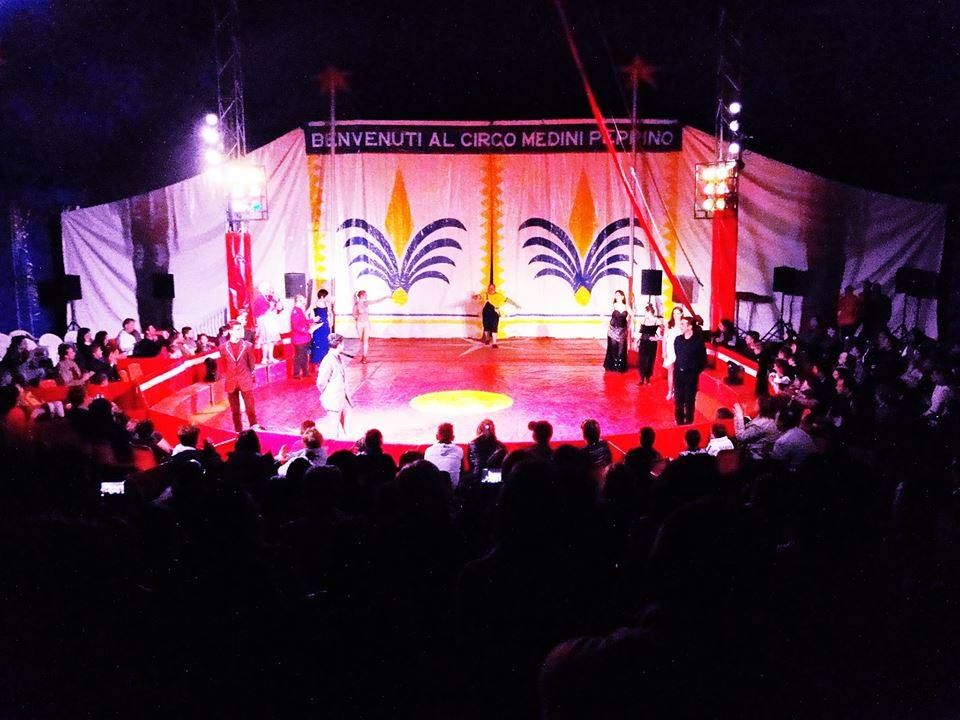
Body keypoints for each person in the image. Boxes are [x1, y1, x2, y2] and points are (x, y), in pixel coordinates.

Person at [219, 320, 259, 432]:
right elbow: (223, 365)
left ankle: (254, 427)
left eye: (241, 329)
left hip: (245, 379)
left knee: (250, 408)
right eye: (237, 329)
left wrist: (249, 376)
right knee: (235, 411)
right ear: (230, 331)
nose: (240, 331)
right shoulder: (223, 347)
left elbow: (251, 364)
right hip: (231, 381)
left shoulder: (248, 346)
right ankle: (238, 431)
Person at [315, 333, 352, 438]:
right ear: (338, 344)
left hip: (342, 397)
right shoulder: (328, 360)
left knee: (345, 423)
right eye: (342, 344)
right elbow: (321, 382)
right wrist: (328, 392)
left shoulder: (338, 357)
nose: (343, 346)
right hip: (333, 398)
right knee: (334, 429)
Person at [673, 316, 706, 425]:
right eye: (681, 324)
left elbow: (703, 360)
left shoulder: (698, 342)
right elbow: (678, 355)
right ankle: (679, 422)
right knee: (678, 400)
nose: (680, 326)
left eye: (683, 324)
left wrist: (694, 371)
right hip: (678, 374)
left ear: (690, 327)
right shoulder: (678, 340)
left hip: (691, 375)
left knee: (689, 400)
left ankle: (689, 422)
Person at [473, 283, 519, 347]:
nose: (491, 289)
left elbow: (508, 300)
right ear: (488, 288)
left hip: (494, 312)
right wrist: (475, 297)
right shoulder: (484, 294)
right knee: (486, 326)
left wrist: (515, 305)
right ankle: (487, 339)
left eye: (492, 288)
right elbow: (478, 296)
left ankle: (494, 343)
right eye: (489, 288)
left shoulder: (499, 295)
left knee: (494, 327)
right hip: (486, 312)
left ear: (494, 288)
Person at [352, 290, 389, 363]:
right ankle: (363, 355)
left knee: (365, 340)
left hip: (366, 323)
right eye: (365, 295)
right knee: (362, 340)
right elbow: (354, 314)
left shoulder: (366, 302)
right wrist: (357, 317)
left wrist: (385, 297)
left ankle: (364, 357)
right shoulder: (356, 304)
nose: (366, 296)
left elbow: (376, 301)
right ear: (361, 296)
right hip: (359, 324)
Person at [424, 422, 464, 487]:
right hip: (452, 488)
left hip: (431, 487)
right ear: (453, 437)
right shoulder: (459, 450)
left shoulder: (428, 450)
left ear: (436, 437)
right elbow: (461, 470)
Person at [603, 291, 631, 372]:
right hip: (613, 329)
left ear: (622, 296)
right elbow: (603, 314)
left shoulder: (626, 306)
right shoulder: (613, 305)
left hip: (623, 330)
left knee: (621, 349)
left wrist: (629, 324)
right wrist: (607, 323)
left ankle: (620, 366)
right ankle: (613, 365)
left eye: (618, 295)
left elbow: (632, 315)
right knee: (613, 347)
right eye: (616, 295)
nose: (617, 297)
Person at [255, 286, 283, 365]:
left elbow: (280, 308)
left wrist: (278, 301)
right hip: (263, 322)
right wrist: (272, 305)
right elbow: (263, 311)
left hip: (271, 322)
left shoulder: (271, 298)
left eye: (270, 290)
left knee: (272, 341)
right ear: (263, 290)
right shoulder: (259, 298)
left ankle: (271, 357)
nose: (269, 291)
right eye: (267, 289)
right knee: (265, 341)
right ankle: (264, 358)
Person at [662, 307, 684, 400]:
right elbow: (664, 339)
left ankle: (677, 391)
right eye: (674, 313)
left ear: (681, 314)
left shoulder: (684, 324)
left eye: (678, 313)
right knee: (670, 371)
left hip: (680, 350)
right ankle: (670, 391)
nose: (675, 315)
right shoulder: (669, 324)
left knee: (679, 372)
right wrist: (664, 351)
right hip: (670, 349)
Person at [636, 303, 661, 384]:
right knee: (641, 360)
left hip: (651, 344)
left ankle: (647, 378)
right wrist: (637, 341)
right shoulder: (643, 320)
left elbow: (663, 333)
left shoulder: (657, 321)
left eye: (645, 312)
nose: (644, 313)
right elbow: (640, 333)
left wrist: (656, 338)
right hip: (643, 342)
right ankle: (641, 378)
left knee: (650, 360)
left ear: (649, 312)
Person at [290, 294, 312, 379]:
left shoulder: (299, 310)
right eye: (303, 300)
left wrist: (312, 320)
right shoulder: (295, 311)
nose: (304, 301)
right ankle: (296, 374)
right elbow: (296, 326)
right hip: (299, 339)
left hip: (303, 338)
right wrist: (306, 330)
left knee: (304, 356)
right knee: (299, 357)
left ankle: (305, 372)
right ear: (298, 300)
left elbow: (304, 321)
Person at [310, 289, 332, 367]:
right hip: (318, 326)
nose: (327, 298)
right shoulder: (314, 304)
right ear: (322, 296)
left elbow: (329, 314)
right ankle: (317, 360)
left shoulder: (327, 304)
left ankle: (324, 359)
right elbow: (308, 312)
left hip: (325, 325)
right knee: (318, 342)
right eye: (326, 296)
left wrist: (330, 323)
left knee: (325, 341)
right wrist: (312, 321)